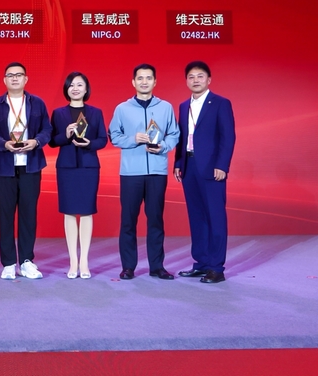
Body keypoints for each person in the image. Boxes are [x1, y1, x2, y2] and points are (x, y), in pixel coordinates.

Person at [108, 63, 180, 281]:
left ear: (155, 82)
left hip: (157, 171)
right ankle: (128, 266)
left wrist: (163, 147)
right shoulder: (122, 109)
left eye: (148, 78)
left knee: (156, 219)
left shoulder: (165, 107)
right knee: (128, 221)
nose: (144, 82)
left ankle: (157, 266)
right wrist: (133, 139)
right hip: (131, 172)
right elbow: (114, 135)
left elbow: (174, 134)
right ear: (133, 82)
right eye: (140, 78)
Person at [0, 62, 52, 280]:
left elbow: (47, 129)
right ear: (4, 80)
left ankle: (27, 261)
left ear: (26, 79)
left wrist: (36, 142)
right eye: (10, 75)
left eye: (19, 75)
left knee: (28, 215)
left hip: (31, 166)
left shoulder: (37, 103)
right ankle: (8, 263)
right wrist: (4, 144)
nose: (14, 78)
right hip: (5, 168)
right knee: (5, 216)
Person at [174, 61, 236, 284]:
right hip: (189, 167)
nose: (196, 80)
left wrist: (222, 165)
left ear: (209, 80)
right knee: (197, 216)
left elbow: (228, 136)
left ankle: (216, 267)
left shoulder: (220, 103)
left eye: (200, 76)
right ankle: (201, 263)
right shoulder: (183, 106)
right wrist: (178, 163)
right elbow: (182, 137)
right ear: (186, 81)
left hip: (212, 168)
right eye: (191, 77)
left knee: (215, 216)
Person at [50, 72, 108, 280]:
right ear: (66, 89)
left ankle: (84, 261)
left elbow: (103, 139)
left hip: (88, 167)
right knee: (68, 212)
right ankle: (72, 261)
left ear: (86, 89)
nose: (75, 88)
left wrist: (89, 144)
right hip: (66, 167)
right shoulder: (58, 113)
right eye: (71, 85)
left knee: (86, 212)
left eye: (79, 85)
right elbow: (52, 141)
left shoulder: (95, 113)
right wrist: (65, 135)